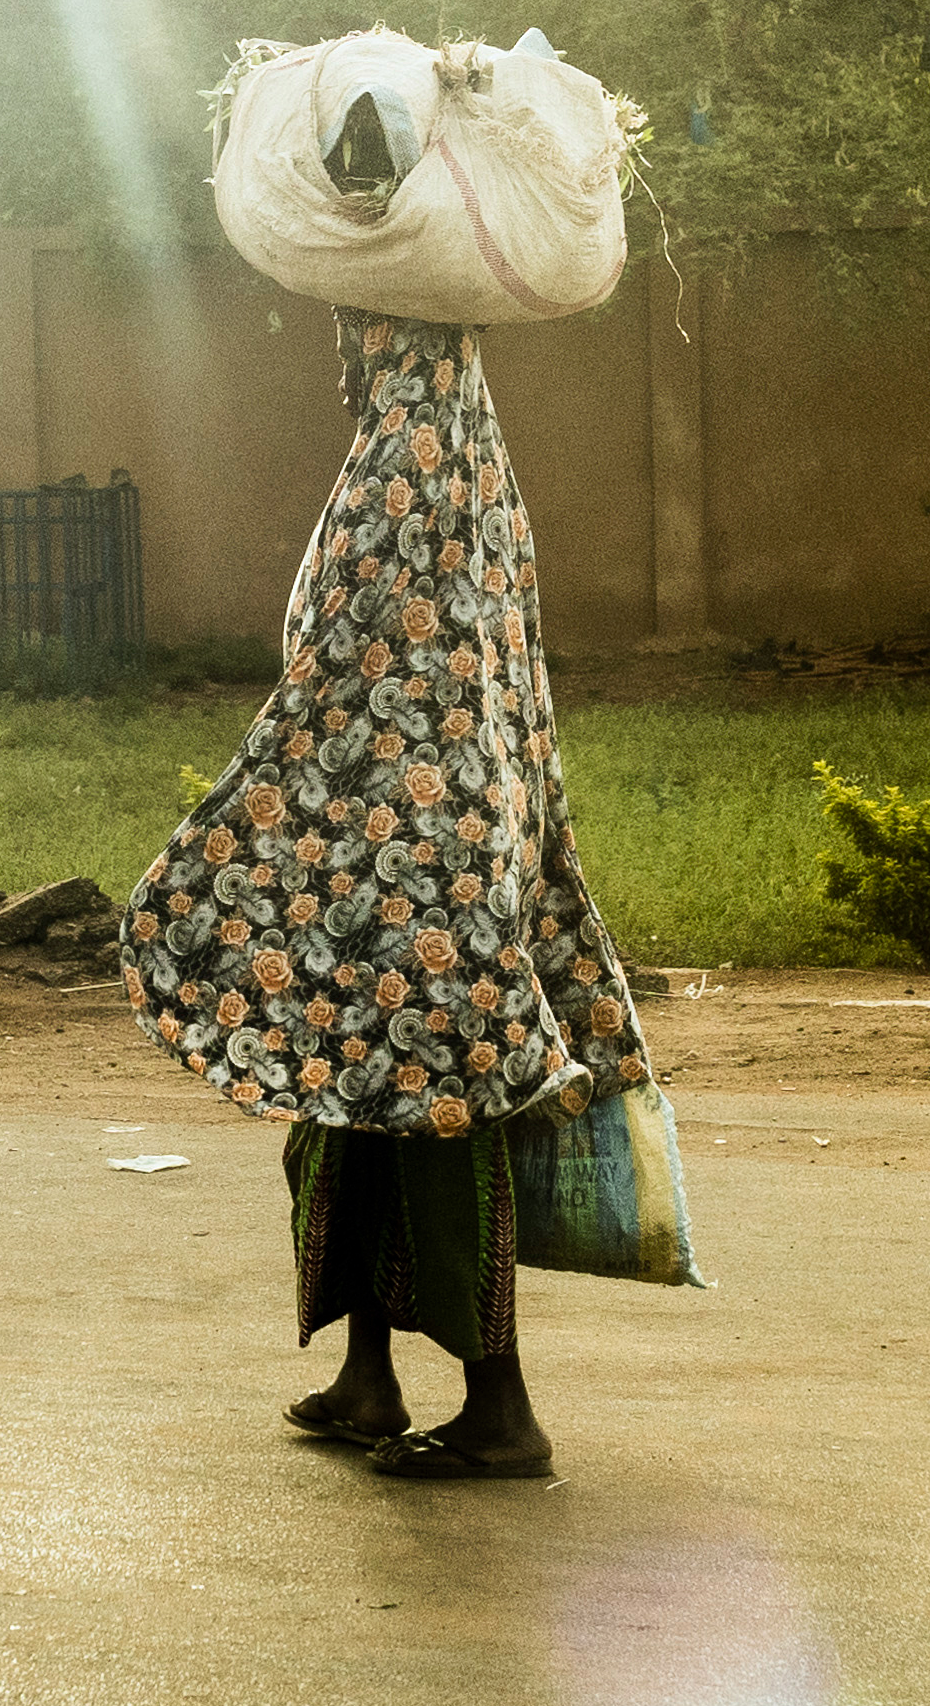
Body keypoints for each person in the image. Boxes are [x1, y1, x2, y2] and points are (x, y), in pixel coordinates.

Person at [120, 309, 666, 1482]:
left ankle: (501, 1412)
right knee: (344, 1103)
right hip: (401, 847)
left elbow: (351, 645)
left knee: (434, 1129)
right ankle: (368, 1377)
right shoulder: (448, 450)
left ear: (395, 337)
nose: (342, 350)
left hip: (427, 862)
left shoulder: (412, 450)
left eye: (355, 330)